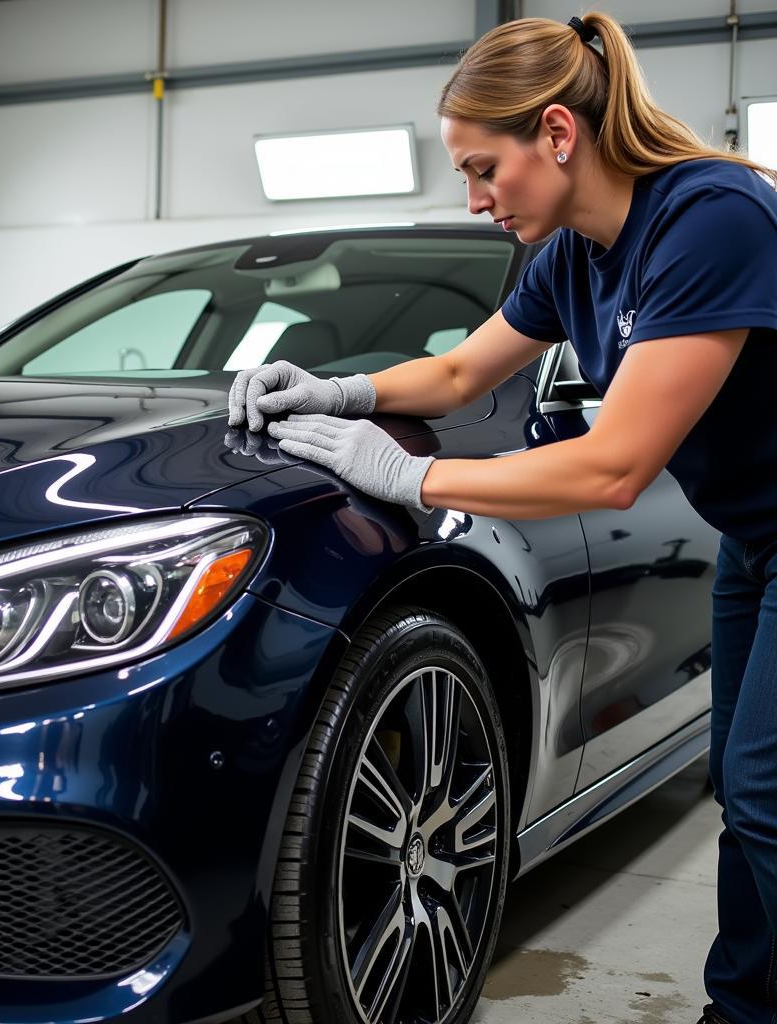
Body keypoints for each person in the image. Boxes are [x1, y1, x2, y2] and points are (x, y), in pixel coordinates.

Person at [227, 12, 777, 1024]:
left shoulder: (712, 215)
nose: (476, 200)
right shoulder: (571, 255)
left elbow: (613, 466)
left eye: (484, 169)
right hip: (754, 535)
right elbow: (456, 370)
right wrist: (340, 394)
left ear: (557, 136)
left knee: (767, 791)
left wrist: (408, 478)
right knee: (746, 798)